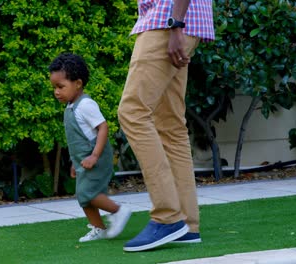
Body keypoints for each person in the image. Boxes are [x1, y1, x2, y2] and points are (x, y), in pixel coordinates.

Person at [117, 0, 215, 252]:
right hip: (181, 23)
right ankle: (186, 223)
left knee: (133, 112)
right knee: (170, 125)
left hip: (167, 21)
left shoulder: (171, 23)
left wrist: (176, 24)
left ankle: (167, 216)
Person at [49, 53, 132, 243]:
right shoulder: (70, 107)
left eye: (61, 87)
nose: (56, 92)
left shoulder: (85, 104)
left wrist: (95, 155)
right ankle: (99, 228)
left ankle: (119, 211)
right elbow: (79, 140)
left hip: (97, 157)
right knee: (83, 197)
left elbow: (103, 128)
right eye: (54, 87)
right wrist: (74, 162)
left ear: (78, 84)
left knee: (89, 194)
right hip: (83, 161)